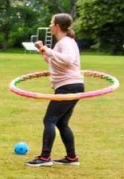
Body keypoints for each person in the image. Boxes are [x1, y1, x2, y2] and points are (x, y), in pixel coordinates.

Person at [27, 13, 82, 167]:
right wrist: (42, 49)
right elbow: (53, 61)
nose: (50, 25)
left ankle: (45, 158)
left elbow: (68, 59)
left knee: (49, 120)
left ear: (57, 26)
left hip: (68, 86)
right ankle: (72, 158)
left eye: (51, 23)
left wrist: (47, 49)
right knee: (61, 123)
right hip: (72, 86)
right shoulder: (62, 43)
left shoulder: (66, 42)